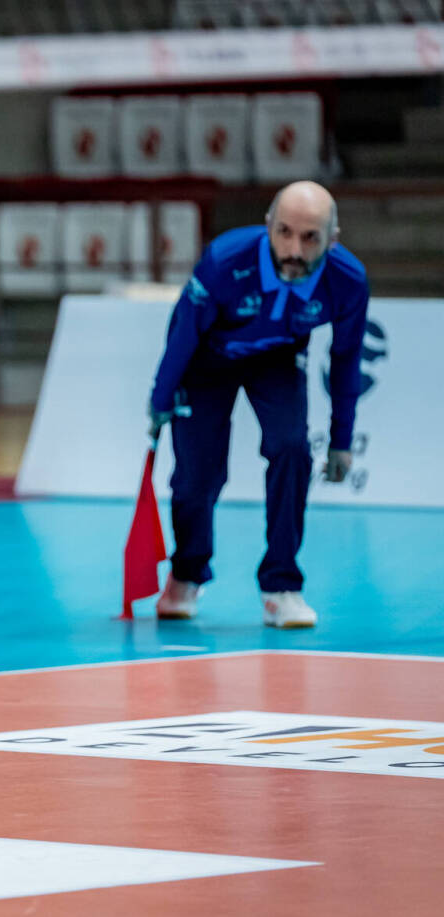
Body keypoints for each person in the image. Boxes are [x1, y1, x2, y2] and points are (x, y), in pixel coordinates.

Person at [148, 180, 368, 628]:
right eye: (284, 232)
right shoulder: (225, 261)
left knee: (292, 449)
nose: (294, 250)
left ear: (333, 240)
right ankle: (186, 573)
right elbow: (184, 331)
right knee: (197, 476)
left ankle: (281, 586)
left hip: (278, 359)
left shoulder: (348, 281)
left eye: (310, 238)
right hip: (206, 360)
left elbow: (346, 359)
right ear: (268, 226)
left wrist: (342, 440)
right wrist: (161, 397)